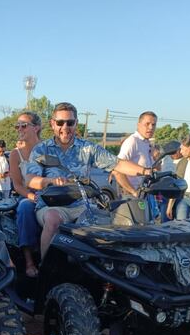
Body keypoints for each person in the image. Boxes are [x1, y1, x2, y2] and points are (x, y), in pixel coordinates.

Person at [25, 102, 141, 258]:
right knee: (53, 219)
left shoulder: (87, 148)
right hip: (51, 205)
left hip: (83, 205)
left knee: (112, 223)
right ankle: (45, 269)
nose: (65, 127)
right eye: (60, 122)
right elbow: (30, 180)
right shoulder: (42, 149)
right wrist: (50, 181)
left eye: (70, 123)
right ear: (53, 124)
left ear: (76, 124)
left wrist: (146, 171)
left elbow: (117, 163)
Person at [9, 112, 43, 277]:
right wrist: (32, 197)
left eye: (24, 125)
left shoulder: (48, 148)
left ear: (36, 128)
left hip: (49, 194)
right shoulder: (16, 154)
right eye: (18, 126)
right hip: (27, 195)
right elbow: (16, 184)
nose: (19, 129)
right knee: (25, 208)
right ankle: (29, 261)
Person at [113, 111, 158, 198]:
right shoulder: (133, 141)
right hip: (133, 197)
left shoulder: (147, 143)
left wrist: (156, 158)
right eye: (147, 124)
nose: (151, 127)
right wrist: (133, 192)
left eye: (153, 124)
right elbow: (116, 169)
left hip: (146, 194)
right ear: (138, 124)